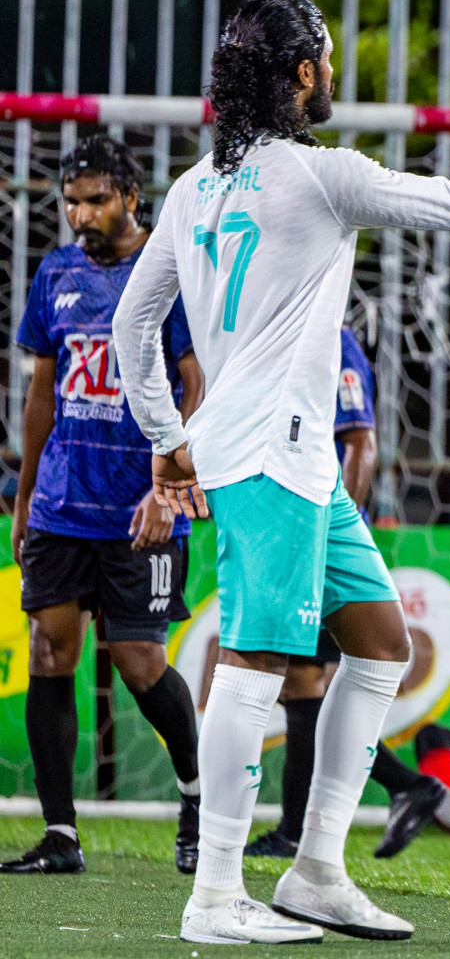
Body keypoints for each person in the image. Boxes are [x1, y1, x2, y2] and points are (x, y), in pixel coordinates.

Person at [113, 0, 450, 944]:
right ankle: (214, 894)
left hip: (283, 459)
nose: (333, 74)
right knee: (254, 664)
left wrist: (166, 437)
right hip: (269, 454)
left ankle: (317, 871)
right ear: (302, 77)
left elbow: (135, 323)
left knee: (381, 643)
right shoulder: (321, 175)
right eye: (327, 60)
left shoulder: (191, 189)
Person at [2, 136, 205, 877]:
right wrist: (23, 495)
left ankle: (196, 793)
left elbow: (195, 380)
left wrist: (171, 480)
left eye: (95, 198)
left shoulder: (171, 270)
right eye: (72, 199)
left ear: (130, 196)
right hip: (60, 500)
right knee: (50, 651)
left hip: (139, 507)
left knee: (140, 661)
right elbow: (38, 391)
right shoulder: (54, 272)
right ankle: (61, 834)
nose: (80, 213)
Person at [245, 327, 448, 862]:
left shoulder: (334, 341)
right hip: (291, 528)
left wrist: (331, 532)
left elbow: (360, 440)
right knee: (303, 683)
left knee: (306, 681)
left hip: (319, 536)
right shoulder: (275, 331)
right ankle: (388, 793)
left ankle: (398, 789)